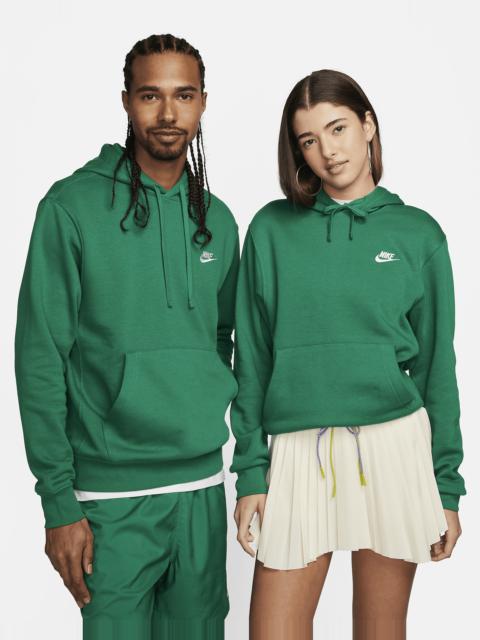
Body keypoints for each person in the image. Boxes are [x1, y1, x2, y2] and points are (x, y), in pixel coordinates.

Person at [14, 34, 239, 639]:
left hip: (201, 489)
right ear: (126, 101)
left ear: (203, 102)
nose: (167, 114)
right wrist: (58, 502)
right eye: (150, 95)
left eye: (183, 96)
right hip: (110, 499)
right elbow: (40, 357)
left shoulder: (217, 219)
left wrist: (198, 395)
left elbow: (222, 337)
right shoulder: (71, 207)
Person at [229, 69, 466, 639]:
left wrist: (447, 486)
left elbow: (437, 369)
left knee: (380, 632)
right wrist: (251, 474)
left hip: (394, 446)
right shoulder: (270, 230)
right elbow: (252, 360)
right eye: (309, 140)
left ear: (368, 125)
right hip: (297, 450)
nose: (328, 151)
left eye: (337, 129)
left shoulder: (418, 234)